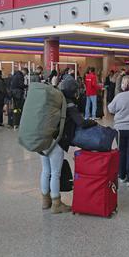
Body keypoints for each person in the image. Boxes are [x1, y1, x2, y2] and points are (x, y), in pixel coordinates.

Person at [40, 76, 96, 213]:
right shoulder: (68, 102)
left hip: (42, 138)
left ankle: (45, 200)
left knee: (45, 170)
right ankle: (56, 203)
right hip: (56, 141)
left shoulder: (54, 99)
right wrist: (92, 122)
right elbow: (81, 122)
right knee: (55, 173)